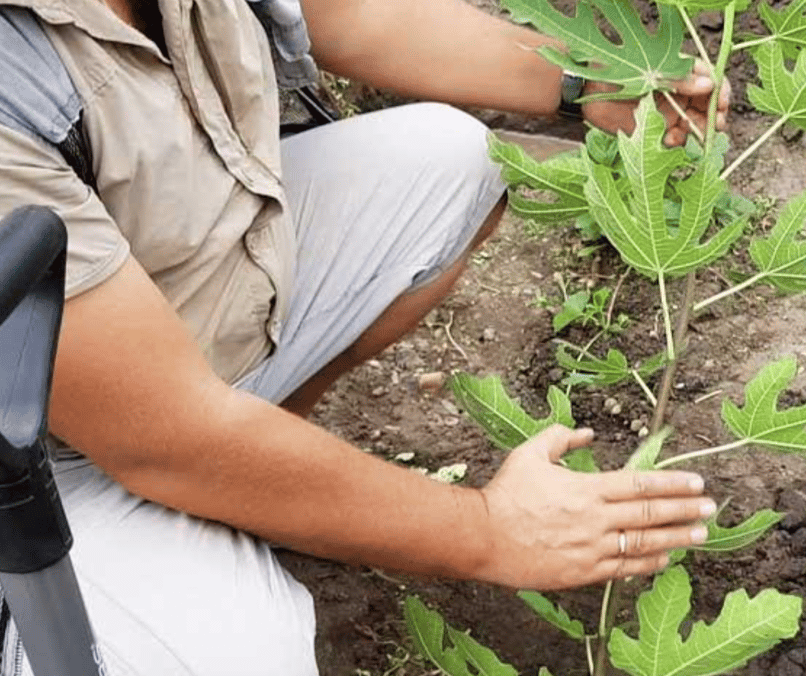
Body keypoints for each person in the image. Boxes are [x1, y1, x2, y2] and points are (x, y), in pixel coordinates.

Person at [0, 0, 729, 672]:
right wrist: (490, 532)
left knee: (449, 158)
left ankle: (249, 487)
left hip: (166, 308)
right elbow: (162, 436)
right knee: (249, 655)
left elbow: (350, 14)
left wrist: (589, 84)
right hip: (43, 456)